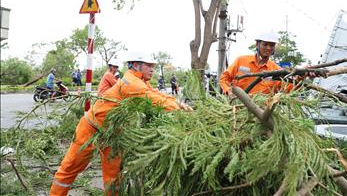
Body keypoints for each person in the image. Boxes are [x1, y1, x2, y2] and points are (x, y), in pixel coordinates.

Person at [49, 51, 192, 196]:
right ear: (136, 65)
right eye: (148, 65)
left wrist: (178, 103)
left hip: (112, 133)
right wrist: (179, 109)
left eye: (153, 66)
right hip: (91, 128)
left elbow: (158, 94)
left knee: (114, 178)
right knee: (69, 169)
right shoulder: (131, 83)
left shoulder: (141, 81)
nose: (152, 69)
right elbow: (155, 100)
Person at [220, 31, 314, 96]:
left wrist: (301, 75)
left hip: (261, 113)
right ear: (257, 44)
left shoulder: (276, 70)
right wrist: (229, 92)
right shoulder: (241, 61)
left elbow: (289, 89)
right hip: (237, 108)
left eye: (271, 45)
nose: (268, 48)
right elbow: (224, 79)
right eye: (265, 44)